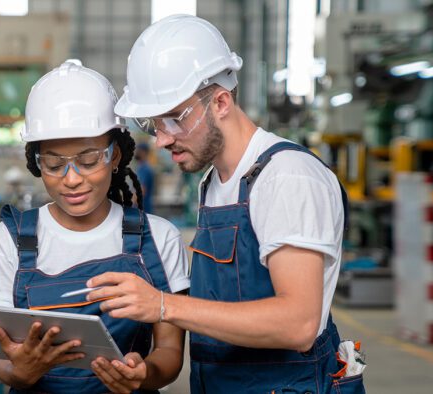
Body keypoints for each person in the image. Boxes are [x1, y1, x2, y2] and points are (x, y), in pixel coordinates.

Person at [85, 15, 366, 393]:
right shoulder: (214, 183)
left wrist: (163, 306)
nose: (163, 139)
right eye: (154, 124)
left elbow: (298, 324)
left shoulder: (286, 177)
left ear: (220, 101)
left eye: (173, 119)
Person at [0, 60, 189, 393]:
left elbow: (170, 353)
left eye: (89, 160)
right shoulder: (8, 240)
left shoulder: (158, 238)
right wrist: (23, 372)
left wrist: (144, 373)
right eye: (53, 164)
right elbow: (3, 359)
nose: (72, 179)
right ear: (36, 163)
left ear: (115, 155)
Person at [134, 142, 155, 213]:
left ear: (144, 152)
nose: (136, 152)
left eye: (139, 150)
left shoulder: (145, 169)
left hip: (143, 209)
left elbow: (142, 191)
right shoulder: (140, 167)